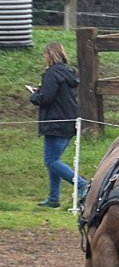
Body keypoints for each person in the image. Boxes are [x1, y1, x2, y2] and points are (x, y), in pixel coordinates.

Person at [29, 42, 88, 208]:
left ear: (50, 55)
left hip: (55, 123)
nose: (44, 58)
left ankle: (82, 184)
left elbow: (46, 98)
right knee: (54, 161)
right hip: (69, 121)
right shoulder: (70, 73)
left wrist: (34, 96)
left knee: (51, 161)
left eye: (45, 55)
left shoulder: (51, 73)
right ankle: (53, 198)